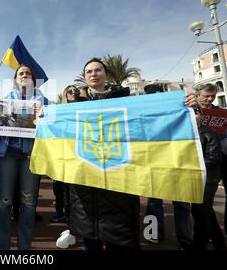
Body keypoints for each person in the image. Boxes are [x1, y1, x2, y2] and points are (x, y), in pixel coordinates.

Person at [69, 58, 197, 251]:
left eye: (98, 70)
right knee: (90, 235)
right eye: (89, 71)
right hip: (87, 177)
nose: (93, 74)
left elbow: (154, 116)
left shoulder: (127, 99)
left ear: (107, 74)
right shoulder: (73, 105)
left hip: (119, 175)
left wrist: (186, 104)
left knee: (119, 236)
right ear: (84, 77)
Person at [0, 64, 48, 250]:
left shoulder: (44, 101)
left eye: (27, 73)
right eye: (21, 73)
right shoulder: (3, 101)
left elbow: (52, 124)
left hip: (31, 155)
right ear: (16, 79)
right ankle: (2, 248)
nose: (24, 75)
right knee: (4, 201)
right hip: (8, 154)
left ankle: (24, 248)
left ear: (33, 79)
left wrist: (44, 115)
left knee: (28, 202)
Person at [143, 84, 193, 249]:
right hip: (155, 163)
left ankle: (185, 238)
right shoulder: (143, 113)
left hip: (178, 161)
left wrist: (194, 107)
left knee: (182, 203)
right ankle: (154, 234)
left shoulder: (179, 109)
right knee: (154, 202)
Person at [195, 83, 227, 244]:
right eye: (206, 95)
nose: (210, 99)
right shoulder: (189, 110)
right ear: (197, 94)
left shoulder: (220, 113)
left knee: (203, 206)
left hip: (219, 158)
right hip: (202, 162)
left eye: (212, 96)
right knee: (203, 206)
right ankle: (216, 238)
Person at [190, 108, 225, 249]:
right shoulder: (185, 134)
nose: (193, 116)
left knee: (200, 213)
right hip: (194, 178)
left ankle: (199, 245)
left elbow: (213, 158)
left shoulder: (210, 133)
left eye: (195, 113)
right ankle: (219, 243)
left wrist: (191, 164)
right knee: (205, 212)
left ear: (201, 115)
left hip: (208, 180)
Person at [55, 85, 79, 249]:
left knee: (78, 196)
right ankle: (71, 228)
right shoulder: (59, 111)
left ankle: (77, 230)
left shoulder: (84, 108)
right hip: (63, 158)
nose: (73, 93)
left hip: (81, 159)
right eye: (69, 91)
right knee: (64, 193)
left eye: (75, 91)